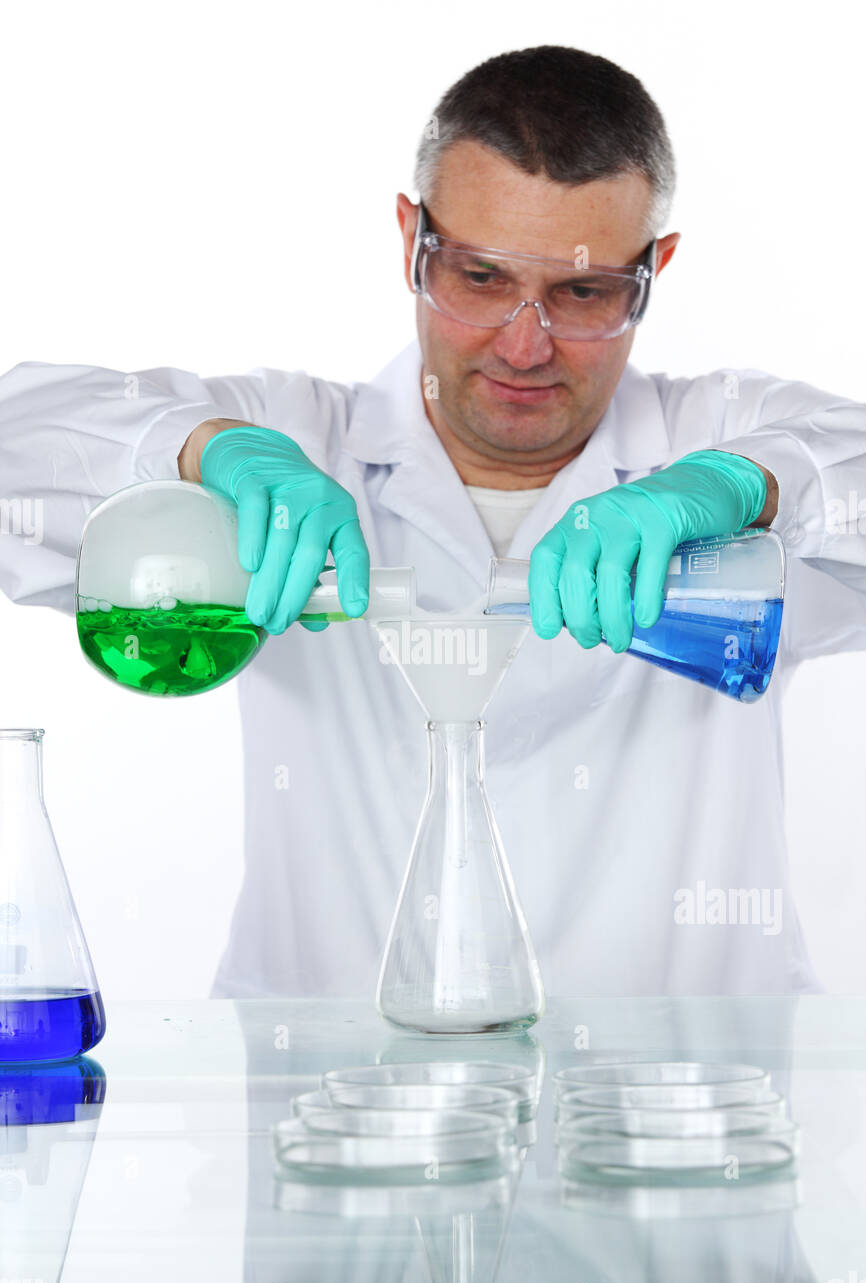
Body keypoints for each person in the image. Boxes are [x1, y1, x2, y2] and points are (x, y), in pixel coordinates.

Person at [1, 45, 864, 999]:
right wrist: (200, 449)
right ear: (411, 239)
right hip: (338, 1122)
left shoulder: (723, 446)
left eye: (583, 292)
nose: (526, 345)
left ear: (652, 271)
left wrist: (754, 485)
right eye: (481, 277)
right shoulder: (297, 445)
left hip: (684, 1125)